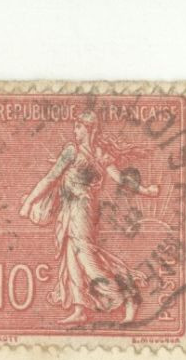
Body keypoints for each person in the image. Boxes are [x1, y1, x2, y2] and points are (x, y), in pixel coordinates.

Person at [18, 110, 163, 327]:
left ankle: (128, 297)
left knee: (87, 259)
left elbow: (121, 179)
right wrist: (30, 200)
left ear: (90, 128)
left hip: (83, 210)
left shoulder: (98, 153)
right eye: (75, 127)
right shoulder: (71, 151)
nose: (75, 131)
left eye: (78, 127)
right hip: (68, 210)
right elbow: (51, 177)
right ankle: (80, 309)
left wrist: (146, 190)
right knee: (71, 260)